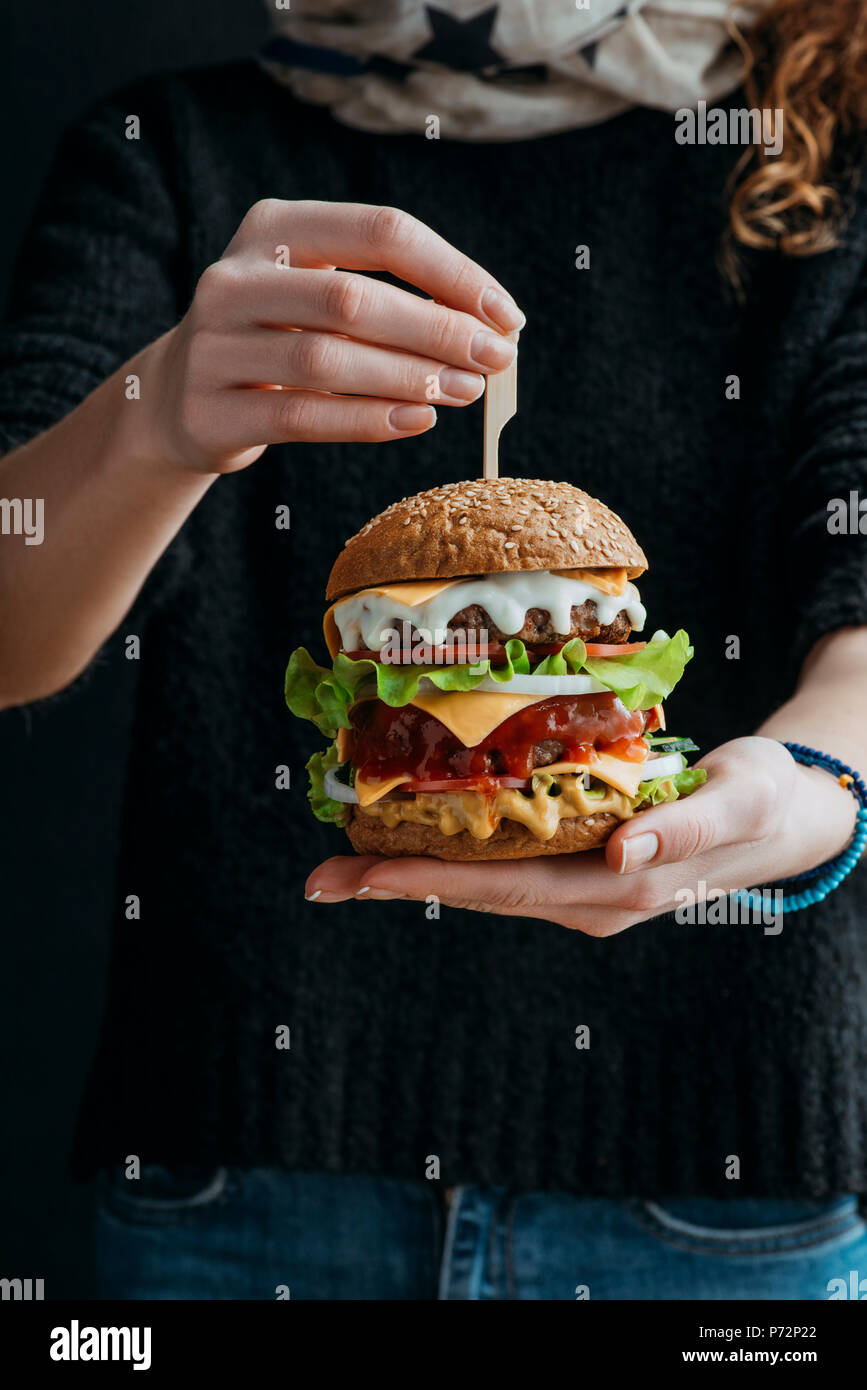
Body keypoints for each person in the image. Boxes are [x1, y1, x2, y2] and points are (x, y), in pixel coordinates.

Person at [2, 0, 867, 1301]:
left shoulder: (821, 163)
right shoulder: (164, 147)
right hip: (235, 1173)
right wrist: (152, 419)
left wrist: (810, 785)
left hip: (720, 1196)